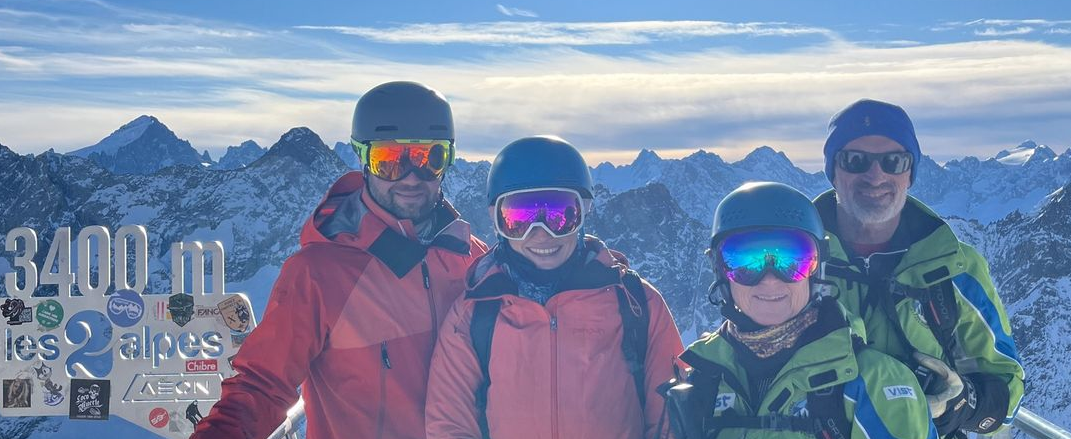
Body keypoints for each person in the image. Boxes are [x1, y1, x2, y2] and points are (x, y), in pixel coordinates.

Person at [192, 81, 488, 439]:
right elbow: (261, 385)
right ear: (362, 160)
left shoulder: (475, 260)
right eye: (389, 161)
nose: (411, 177)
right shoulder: (319, 273)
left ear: (448, 160)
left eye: (429, 158)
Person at [425, 136, 684, 439]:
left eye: (560, 216)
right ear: (497, 223)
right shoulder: (473, 315)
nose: (541, 234)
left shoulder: (638, 304)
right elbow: (450, 426)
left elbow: (671, 422)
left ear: (584, 213)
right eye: (519, 219)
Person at [814, 99, 1025, 437]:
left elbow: (1007, 388)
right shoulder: (794, 260)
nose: (875, 175)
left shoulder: (957, 268)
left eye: (893, 161)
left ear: (909, 174)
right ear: (833, 172)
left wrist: (962, 403)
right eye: (855, 160)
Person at [666, 182, 936, 439]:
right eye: (746, 261)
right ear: (721, 272)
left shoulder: (875, 382)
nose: (770, 279)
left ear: (818, 270)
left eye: (792, 259)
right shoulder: (701, 380)